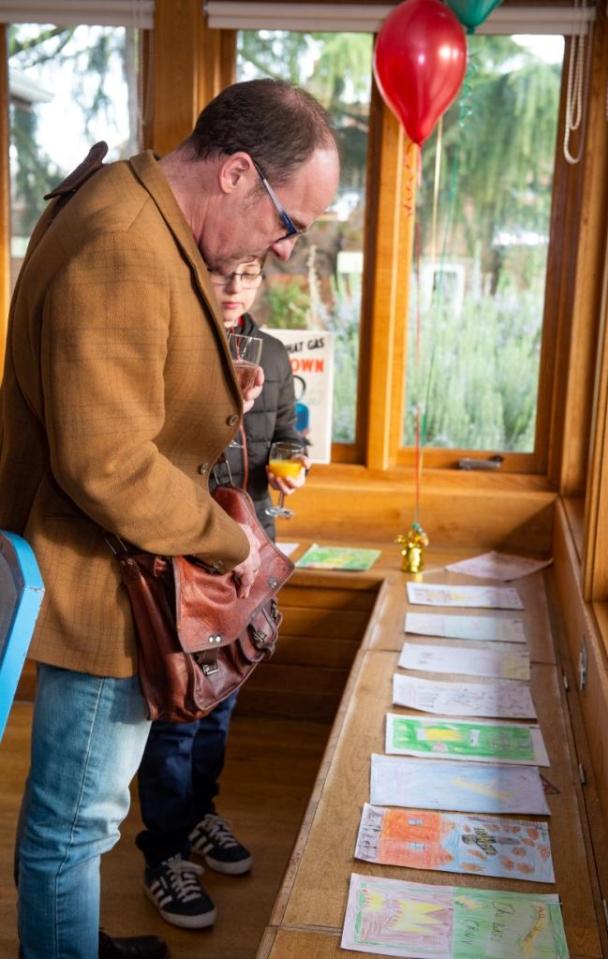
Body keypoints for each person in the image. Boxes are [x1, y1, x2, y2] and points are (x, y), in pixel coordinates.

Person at [0, 78, 339, 959]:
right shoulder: (123, 240)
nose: (284, 249)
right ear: (235, 172)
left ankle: (76, 939)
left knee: (83, 819)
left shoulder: (143, 213)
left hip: (125, 566)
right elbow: (106, 462)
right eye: (288, 223)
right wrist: (234, 543)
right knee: (75, 826)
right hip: (102, 581)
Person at [135, 256, 309, 929]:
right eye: (222, 273)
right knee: (179, 710)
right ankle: (164, 851)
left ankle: (200, 815)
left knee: (222, 702)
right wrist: (218, 405)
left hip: (249, 551)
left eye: (249, 275)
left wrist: (292, 464)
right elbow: (153, 451)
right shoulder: (174, 343)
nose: (235, 287)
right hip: (182, 553)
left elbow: (289, 437)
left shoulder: (274, 353)